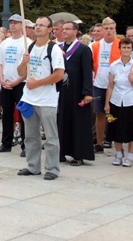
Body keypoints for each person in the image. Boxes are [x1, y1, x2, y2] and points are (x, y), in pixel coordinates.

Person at [17, 16, 65, 180]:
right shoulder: (29, 47)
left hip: (46, 99)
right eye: (36, 25)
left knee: (51, 136)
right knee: (30, 135)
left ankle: (52, 168)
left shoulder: (54, 49)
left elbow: (59, 74)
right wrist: (24, 62)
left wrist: (37, 83)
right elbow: (20, 72)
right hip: (29, 98)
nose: (38, 28)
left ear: (50, 29)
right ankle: (33, 166)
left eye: (42, 25)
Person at [104, 38, 133, 168]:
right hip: (116, 100)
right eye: (124, 47)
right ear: (120, 49)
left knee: (132, 129)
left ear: (132, 49)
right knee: (116, 128)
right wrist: (107, 103)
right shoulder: (114, 65)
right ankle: (118, 154)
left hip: (131, 100)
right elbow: (110, 85)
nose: (126, 50)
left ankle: (130, 156)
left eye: (128, 48)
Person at [57, 21, 95, 166]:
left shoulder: (83, 49)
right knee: (62, 121)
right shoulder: (59, 48)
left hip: (77, 91)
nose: (64, 31)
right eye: (63, 29)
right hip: (62, 91)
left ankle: (78, 154)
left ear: (75, 31)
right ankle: (61, 152)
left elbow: (87, 72)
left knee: (78, 123)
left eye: (68, 29)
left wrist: (87, 92)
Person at [0, 14, 30, 155]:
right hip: (6, 82)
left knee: (23, 115)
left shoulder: (26, 42)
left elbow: (27, 68)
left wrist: (17, 81)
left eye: (15, 23)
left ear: (22, 25)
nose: (12, 25)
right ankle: (6, 143)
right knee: (7, 114)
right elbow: (0, 63)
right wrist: (1, 79)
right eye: (11, 23)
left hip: (20, 83)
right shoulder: (5, 43)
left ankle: (25, 145)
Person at [91, 17, 121, 153]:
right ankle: (99, 142)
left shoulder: (120, 44)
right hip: (98, 83)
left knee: (113, 114)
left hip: (115, 85)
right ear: (102, 30)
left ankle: (110, 138)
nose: (109, 31)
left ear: (115, 30)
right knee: (99, 113)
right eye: (106, 29)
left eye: (111, 29)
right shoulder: (95, 45)